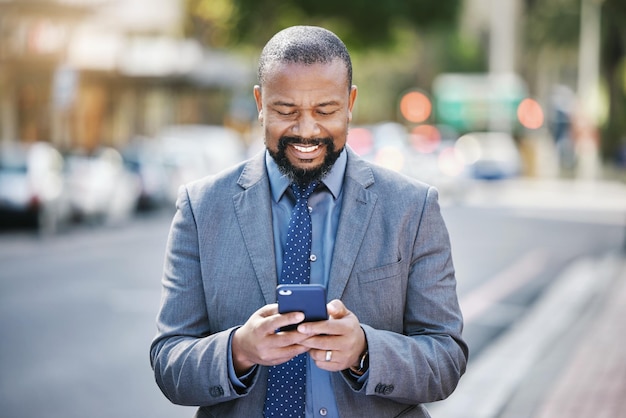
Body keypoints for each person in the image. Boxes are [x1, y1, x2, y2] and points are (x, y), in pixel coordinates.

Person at [150, 25, 468, 418]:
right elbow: (169, 361)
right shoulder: (201, 208)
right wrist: (239, 350)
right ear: (260, 102)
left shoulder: (412, 207)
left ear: (350, 103)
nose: (306, 130)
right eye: (286, 111)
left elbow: (447, 359)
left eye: (325, 111)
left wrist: (365, 350)